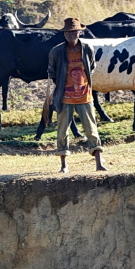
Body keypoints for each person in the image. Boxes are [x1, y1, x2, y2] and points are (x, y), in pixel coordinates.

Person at [47, 17, 107, 173]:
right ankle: (64, 165)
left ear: (80, 32)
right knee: (62, 131)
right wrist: (62, 86)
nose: (71, 35)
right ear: (64, 34)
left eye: (74, 31)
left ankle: (99, 163)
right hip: (64, 98)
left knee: (91, 129)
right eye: (68, 32)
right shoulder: (57, 51)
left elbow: (91, 67)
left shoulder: (87, 49)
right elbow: (52, 72)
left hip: (85, 96)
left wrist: (82, 84)